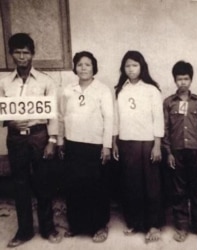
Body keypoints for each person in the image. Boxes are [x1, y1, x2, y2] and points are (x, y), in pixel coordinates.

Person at [0, 33, 62, 247]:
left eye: (26, 52)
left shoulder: (46, 81)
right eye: (17, 52)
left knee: (44, 183)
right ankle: (24, 231)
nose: (22, 57)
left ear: (33, 54)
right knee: (20, 184)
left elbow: (53, 114)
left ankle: (48, 228)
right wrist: (9, 122)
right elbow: (2, 111)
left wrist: (52, 140)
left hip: (39, 136)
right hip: (16, 139)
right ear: (11, 55)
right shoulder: (4, 82)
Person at [58, 51, 113, 242]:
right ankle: (77, 224)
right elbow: (61, 117)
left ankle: (99, 226)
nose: (83, 68)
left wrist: (106, 146)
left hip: (94, 145)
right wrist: (60, 142)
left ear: (93, 67)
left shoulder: (102, 90)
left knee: (96, 186)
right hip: (73, 144)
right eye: (79, 64)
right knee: (74, 186)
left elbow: (109, 118)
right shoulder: (68, 90)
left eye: (87, 64)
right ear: (75, 68)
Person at [112, 50, 165, 243]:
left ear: (142, 67)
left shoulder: (151, 89)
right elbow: (116, 118)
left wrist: (157, 145)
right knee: (131, 184)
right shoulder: (120, 89)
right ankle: (135, 221)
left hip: (148, 142)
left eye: (135, 65)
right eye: (127, 65)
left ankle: (153, 224)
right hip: (126, 142)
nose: (131, 69)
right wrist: (115, 142)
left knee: (151, 184)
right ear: (123, 68)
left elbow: (158, 119)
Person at [162, 60, 197, 242]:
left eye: (186, 79)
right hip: (177, 151)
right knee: (178, 190)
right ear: (174, 80)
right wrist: (169, 152)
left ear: (191, 80)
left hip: (196, 151)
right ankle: (181, 226)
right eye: (179, 79)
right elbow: (165, 128)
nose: (183, 82)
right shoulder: (168, 102)